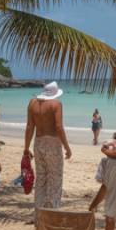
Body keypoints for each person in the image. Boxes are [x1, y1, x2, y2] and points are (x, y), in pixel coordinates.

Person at [24, 82, 72, 215]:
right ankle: (51, 213)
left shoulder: (32, 103)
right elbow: (58, 127)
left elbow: (29, 127)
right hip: (52, 143)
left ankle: (39, 212)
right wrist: (67, 147)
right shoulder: (56, 104)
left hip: (38, 142)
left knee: (41, 178)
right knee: (55, 178)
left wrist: (26, 148)